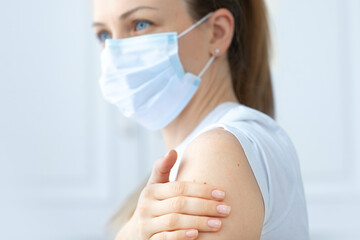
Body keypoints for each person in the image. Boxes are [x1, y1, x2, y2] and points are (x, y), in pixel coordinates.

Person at [92, 0, 310, 239]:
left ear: (217, 33)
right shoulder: (226, 143)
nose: (115, 52)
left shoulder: (218, 151)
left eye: (140, 24)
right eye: (104, 35)